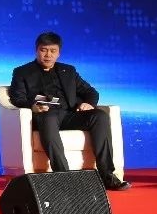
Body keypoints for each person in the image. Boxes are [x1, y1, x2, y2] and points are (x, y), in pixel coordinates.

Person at [8, 32, 131, 191]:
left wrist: (88, 103)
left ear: (59, 53)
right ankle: (65, 178)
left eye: (53, 51)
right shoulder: (22, 72)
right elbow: (17, 98)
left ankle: (107, 176)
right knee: (49, 117)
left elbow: (91, 92)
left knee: (99, 116)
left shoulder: (68, 71)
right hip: (44, 115)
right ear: (36, 50)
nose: (48, 55)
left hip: (69, 115)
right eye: (43, 50)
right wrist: (32, 106)